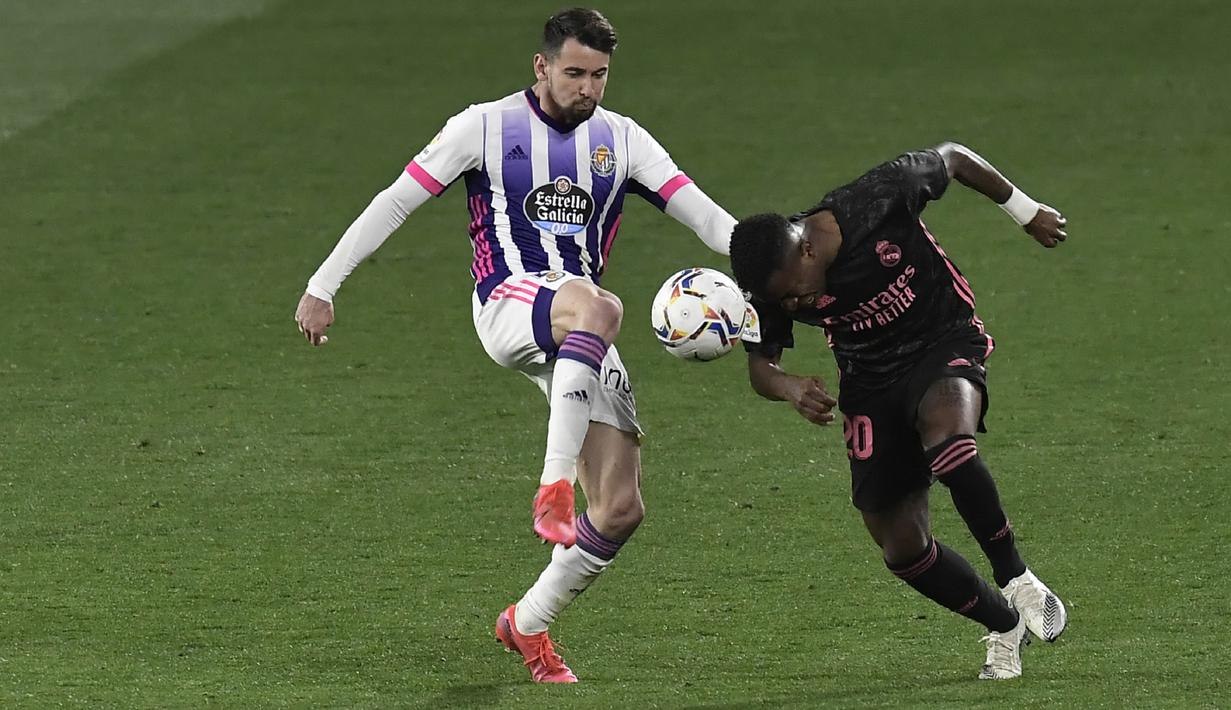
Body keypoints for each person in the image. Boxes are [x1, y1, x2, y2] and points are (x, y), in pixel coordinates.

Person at [294, 8, 735, 684]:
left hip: (579, 332)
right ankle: (552, 487)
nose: (587, 87)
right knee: (601, 304)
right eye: (574, 73)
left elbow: (705, 217)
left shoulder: (623, 140)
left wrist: (778, 261)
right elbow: (394, 201)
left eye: (599, 75)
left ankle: (526, 623)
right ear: (541, 67)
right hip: (509, 302)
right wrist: (323, 286)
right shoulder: (485, 127)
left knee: (619, 509)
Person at [727, 142, 1069, 680]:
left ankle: (1017, 577)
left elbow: (953, 157)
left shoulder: (876, 200)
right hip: (870, 383)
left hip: (941, 339)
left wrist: (1025, 212)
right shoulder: (772, 285)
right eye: (785, 304)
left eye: (795, 295)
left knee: (951, 447)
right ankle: (1005, 626)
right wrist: (789, 386)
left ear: (807, 252)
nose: (796, 307)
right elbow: (760, 367)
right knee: (900, 546)